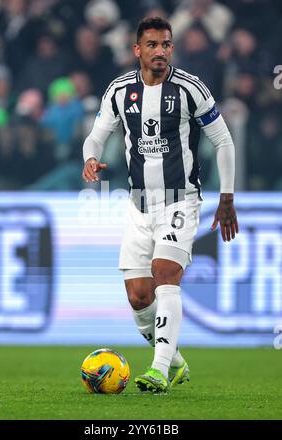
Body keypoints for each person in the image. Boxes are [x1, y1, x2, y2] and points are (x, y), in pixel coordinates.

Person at [82, 17, 238, 393]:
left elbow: (224, 142)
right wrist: (90, 158)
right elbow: (96, 136)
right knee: (138, 296)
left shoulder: (190, 89)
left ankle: (159, 370)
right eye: (152, 45)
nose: (160, 51)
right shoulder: (119, 90)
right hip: (138, 205)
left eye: (166, 44)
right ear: (137, 50)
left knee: (165, 271)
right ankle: (177, 362)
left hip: (180, 199)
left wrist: (227, 197)